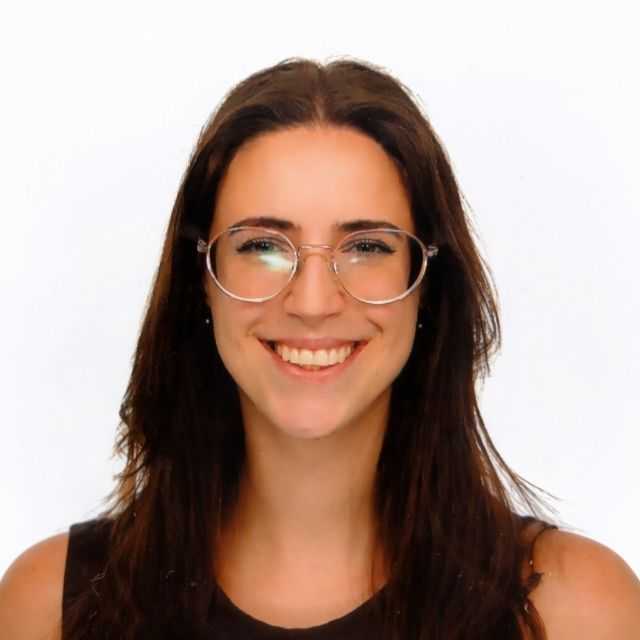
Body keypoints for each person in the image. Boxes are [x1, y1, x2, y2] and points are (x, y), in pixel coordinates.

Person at [1, 57, 639, 640]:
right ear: (203, 280)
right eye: (262, 246)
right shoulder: (50, 610)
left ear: (427, 285)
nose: (312, 302)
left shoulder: (575, 612)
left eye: (367, 247)